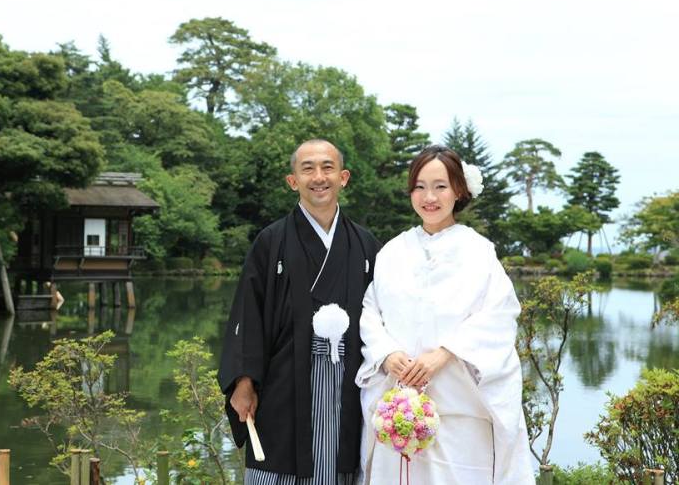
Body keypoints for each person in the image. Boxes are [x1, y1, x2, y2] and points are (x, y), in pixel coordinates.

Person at [357, 145, 535, 484]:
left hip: (459, 408)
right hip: (398, 407)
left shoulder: (477, 251)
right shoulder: (393, 251)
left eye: (440, 186)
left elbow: (499, 313)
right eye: (420, 186)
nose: (429, 197)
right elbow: (370, 310)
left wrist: (446, 352)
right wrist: (387, 354)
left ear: (458, 190)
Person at [219, 139, 381, 485]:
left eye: (327, 167)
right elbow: (247, 315)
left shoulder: (366, 245)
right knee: (278, 462)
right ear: (293, 180)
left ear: (344, 177)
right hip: (284, 383)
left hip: (349, 382)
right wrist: (243, 381)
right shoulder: (270, 241)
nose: (318, 177)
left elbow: (383, 319)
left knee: (343, 462)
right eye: (307, 168)